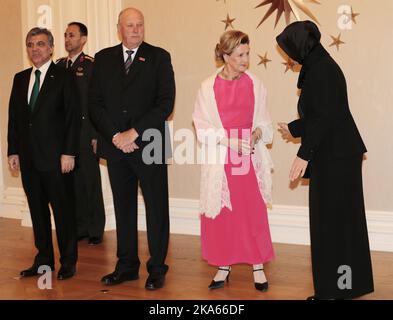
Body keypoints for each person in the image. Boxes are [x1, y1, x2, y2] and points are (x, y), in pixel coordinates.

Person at [276, 21, 374, 300]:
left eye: (289, 50)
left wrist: (302, 154)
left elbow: (325, 118)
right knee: (341, 224)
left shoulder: (321, 70)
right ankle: (346, 286)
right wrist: (294, 129)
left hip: (335, 158)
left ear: (300, 46)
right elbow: (323, 114)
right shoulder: (321, 66)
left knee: (331, 225)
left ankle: (334, 290)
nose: (288, 56)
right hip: (338, 154)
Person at [89, 7, 175, 290]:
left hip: (149, 142)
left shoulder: (159, 57)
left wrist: (132, 132)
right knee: (124, 207)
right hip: (115, 146)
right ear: (119, 28)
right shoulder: (102, 59)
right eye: (130, 25)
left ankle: (157, 268)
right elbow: (95, 104)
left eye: (140, 24)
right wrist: (115, 135)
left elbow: (165, 103)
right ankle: (126, 266)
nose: (136, 29)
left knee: (156, 207)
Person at [193, 30, 275, 291]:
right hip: (221, 156)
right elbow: (201, 125)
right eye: (240, 55)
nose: (246, 59)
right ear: (226, 56)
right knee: (224, 214)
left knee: (251, 210)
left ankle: (258, 265)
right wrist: (228, 141)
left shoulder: (255, 83)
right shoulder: (208, 87)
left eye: (248, 53)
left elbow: (264, 121)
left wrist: (257, 133)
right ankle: (223, 264)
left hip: (247, 157)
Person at [7, 27, 80, 280]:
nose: (34, 49)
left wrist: (69, 153)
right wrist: (12, 150)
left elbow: (73, 118)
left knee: (63, 212)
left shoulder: (64, 77)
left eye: (40, 44)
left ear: (50, 48)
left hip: (57, 159)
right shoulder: (19, 78)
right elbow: (14, 119)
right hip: (28, 159)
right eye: (30, 44)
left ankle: (68, 261)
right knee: (37, 212)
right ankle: (44, 260)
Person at [57, 22, 106, 245]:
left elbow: (95, 103)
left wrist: (96, 134)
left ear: (83, 39)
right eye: (66, 35)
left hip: (87, 133)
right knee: (72, 182)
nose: (68, 39)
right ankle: (80, 227)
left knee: (90, 181)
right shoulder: (59, 66)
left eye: (72, 35)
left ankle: (95, 228)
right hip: (65, 135)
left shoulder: (91, 65)